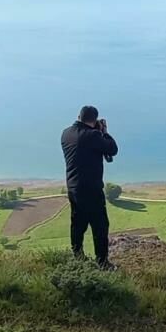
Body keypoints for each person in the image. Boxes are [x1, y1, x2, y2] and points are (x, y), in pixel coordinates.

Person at [61, 105, 119, 269]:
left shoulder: (66, 133)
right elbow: (113, 149)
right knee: (100, 225)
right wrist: (104, 131)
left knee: (77, 224)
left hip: (73, 187)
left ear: (79, 116)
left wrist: (96, 131)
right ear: (94, 120)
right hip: (91, 189)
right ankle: (102, 262)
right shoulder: (93, 135)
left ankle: (77, 256)